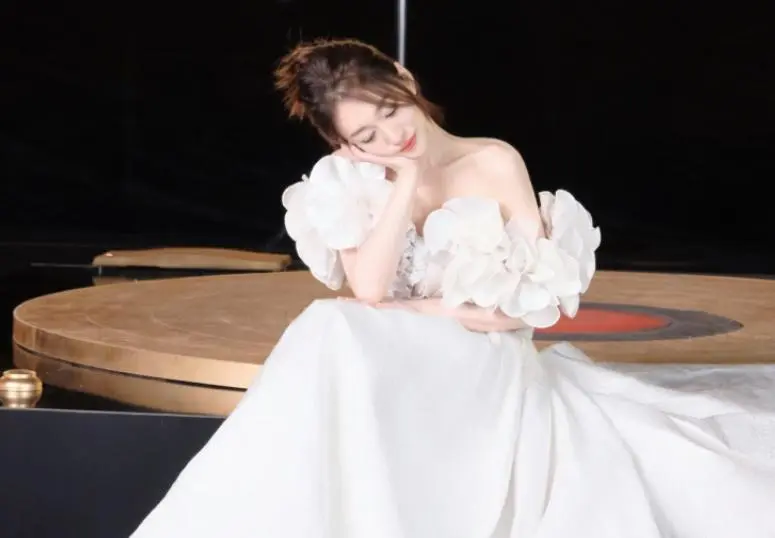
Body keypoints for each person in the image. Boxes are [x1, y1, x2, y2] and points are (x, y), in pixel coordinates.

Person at [131, 38, 775, 537]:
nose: (392, 136)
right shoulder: (346, 179)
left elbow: (528, 309)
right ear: (342, 144)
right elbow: (370, 289)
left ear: (405, 80)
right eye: (366, 136)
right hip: (398, 359)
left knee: (338, 330)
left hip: (484, 361)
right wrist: (404, 180)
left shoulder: (493, 161)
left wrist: (421, 309)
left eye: (390, 110)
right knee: (331, 329)